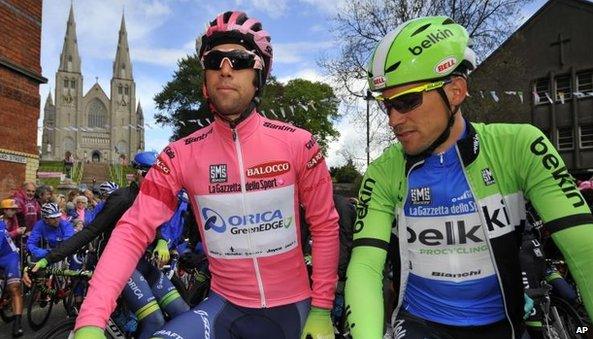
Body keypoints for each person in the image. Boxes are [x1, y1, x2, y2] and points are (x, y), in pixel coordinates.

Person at [74, 10, 339, 339]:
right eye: (215, 60)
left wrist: (322, 308)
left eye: (240, 59)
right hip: (224, 308)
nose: (225, 70)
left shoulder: (298, 144)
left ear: (259, 76)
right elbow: (131, 232)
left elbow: (325, 226)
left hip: (294, 310)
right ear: (204, 77)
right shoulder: (180, 155)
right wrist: (90, 320)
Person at [344, 16, 593, 339]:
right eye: (386, 105)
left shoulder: (518, 146)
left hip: (501, 324)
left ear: (456, 90)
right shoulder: (384, 170)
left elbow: (585, 249)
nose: (394, 119)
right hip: (420, 325)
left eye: (407, 101)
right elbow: (364, 267)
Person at [0, 202, 25, 337]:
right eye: (11, 209)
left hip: (9, 256)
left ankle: (17, 323)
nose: (14, 212)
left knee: (14, 287)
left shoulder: (4, 223)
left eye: (15, 209)